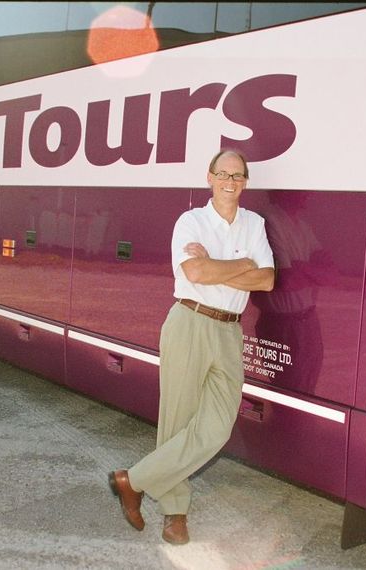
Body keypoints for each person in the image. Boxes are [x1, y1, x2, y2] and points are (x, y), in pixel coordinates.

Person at [109, 149, 275, 545]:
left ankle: (133, 481)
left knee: (218, 425)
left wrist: (219, 266)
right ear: (210, 177)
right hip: (190, 320)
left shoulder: (255, 223)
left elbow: (267, 280)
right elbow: (195, 272)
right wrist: (241, 266)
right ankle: (175, 512)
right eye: (223, 174)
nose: (230, 181)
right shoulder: (191, 221)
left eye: (237, 175)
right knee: (177, 420)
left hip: (229, 331)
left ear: (246, 182)